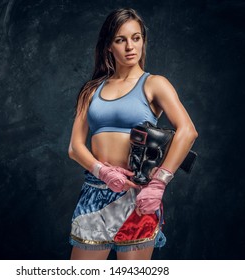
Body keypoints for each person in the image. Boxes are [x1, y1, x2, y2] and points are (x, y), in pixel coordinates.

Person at [67, 7, 198, 260]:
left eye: (136, 38)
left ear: (143, 41)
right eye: (121, 39)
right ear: (108, 46)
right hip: (95, 190)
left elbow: (188, 131)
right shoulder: (90, 90)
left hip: (139, 194)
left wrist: (159, 182)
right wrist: (102, 171)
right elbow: (75, 147)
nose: (130, 46)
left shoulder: (154, 84)